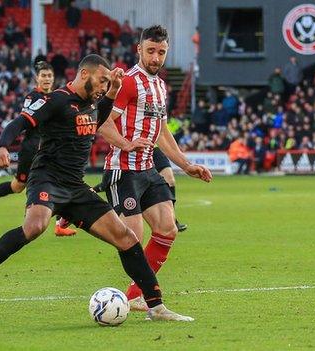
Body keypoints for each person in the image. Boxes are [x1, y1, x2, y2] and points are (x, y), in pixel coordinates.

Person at [0, 54, 193, 321]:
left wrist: (113, 91)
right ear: (84, 75)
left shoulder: (92, 103)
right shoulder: (56, 100)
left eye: (107, 82)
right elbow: (18, 123)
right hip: (47, 179)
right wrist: (1, 145)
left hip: (76, 187)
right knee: (35, 226)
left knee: (126, 238)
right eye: (102, 80)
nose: (104, 86)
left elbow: (99, 116)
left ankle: (156, 307)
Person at [97, 25, 213, 311]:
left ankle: (137, 296)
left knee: (167, 229)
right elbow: (103, 123)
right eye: (150, 51)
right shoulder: (128, 82)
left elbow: (161, 132)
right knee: (132, 242)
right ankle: (150, 301)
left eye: (161, 52)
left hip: (148, 169)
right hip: (122, 169)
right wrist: (126, 143)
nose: (156, 57)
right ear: (139, 49)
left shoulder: (161, 86)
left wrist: (186, 164)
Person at [0, 62, 76, 236]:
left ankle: (59, 225)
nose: (46, 79)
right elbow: (22, 122)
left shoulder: (56, 97)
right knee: (18, 186)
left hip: (50, 150)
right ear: (37, 78)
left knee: (60, 182)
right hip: (31, 150)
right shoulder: (32, 98)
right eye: (43, 75)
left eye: (49, 76)